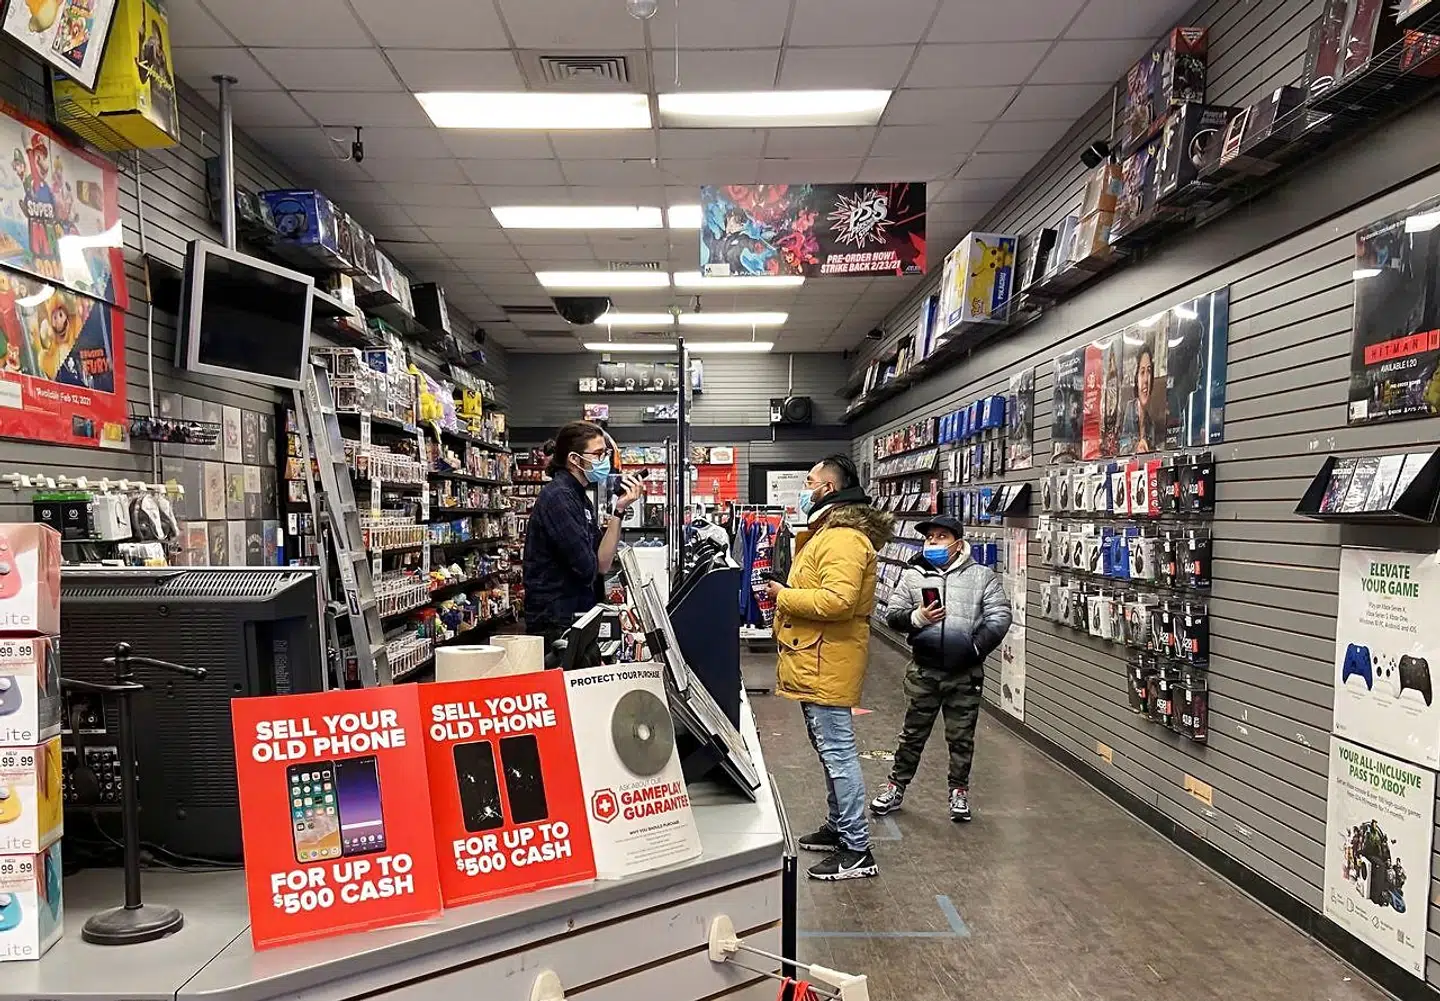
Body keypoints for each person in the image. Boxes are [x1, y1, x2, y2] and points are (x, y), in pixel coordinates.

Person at [767, 455, 892, 881]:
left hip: (826, 660)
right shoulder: (833, 533)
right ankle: (841, 828)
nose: (804, 488)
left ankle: (857, 850)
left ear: (829, 489)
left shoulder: (842, 539)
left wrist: (783, 595)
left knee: (838, 752)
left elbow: (836, 602)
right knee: (829, 749)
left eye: (810, 481)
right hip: (817, 657)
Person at [870, 514, 1012, 823]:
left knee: (961, 737)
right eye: (929, 537)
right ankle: (896, 786)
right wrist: (918, 618)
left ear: (958, 543)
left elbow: (1000, 615)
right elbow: (891, 614)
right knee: (912, 735)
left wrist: (975, 647)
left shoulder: (981, 577)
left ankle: (959, 791)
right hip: (924, 670)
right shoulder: (913, 575)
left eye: (940, 537)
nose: (932, 542)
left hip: (965, 674)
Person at [522, 421, 642, 653]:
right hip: (557, 622)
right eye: (598, 454)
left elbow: (602, 564)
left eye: (605, 453)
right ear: (574, 459)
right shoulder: (558, 498)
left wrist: (620, 510)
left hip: (577, 615)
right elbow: (588, 568)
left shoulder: (579, 497)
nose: (604, 460)